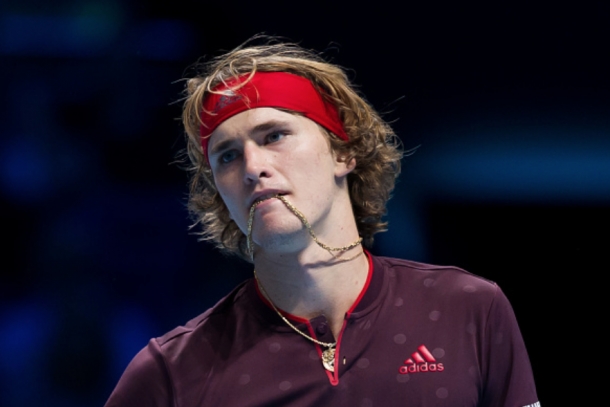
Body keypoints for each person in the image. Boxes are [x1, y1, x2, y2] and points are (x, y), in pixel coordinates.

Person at [105, 40, 539, 407]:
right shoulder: (172, 371)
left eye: (273, 135)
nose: (253, 167)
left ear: (342, 153)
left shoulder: (469, 308)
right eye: (228, 156)